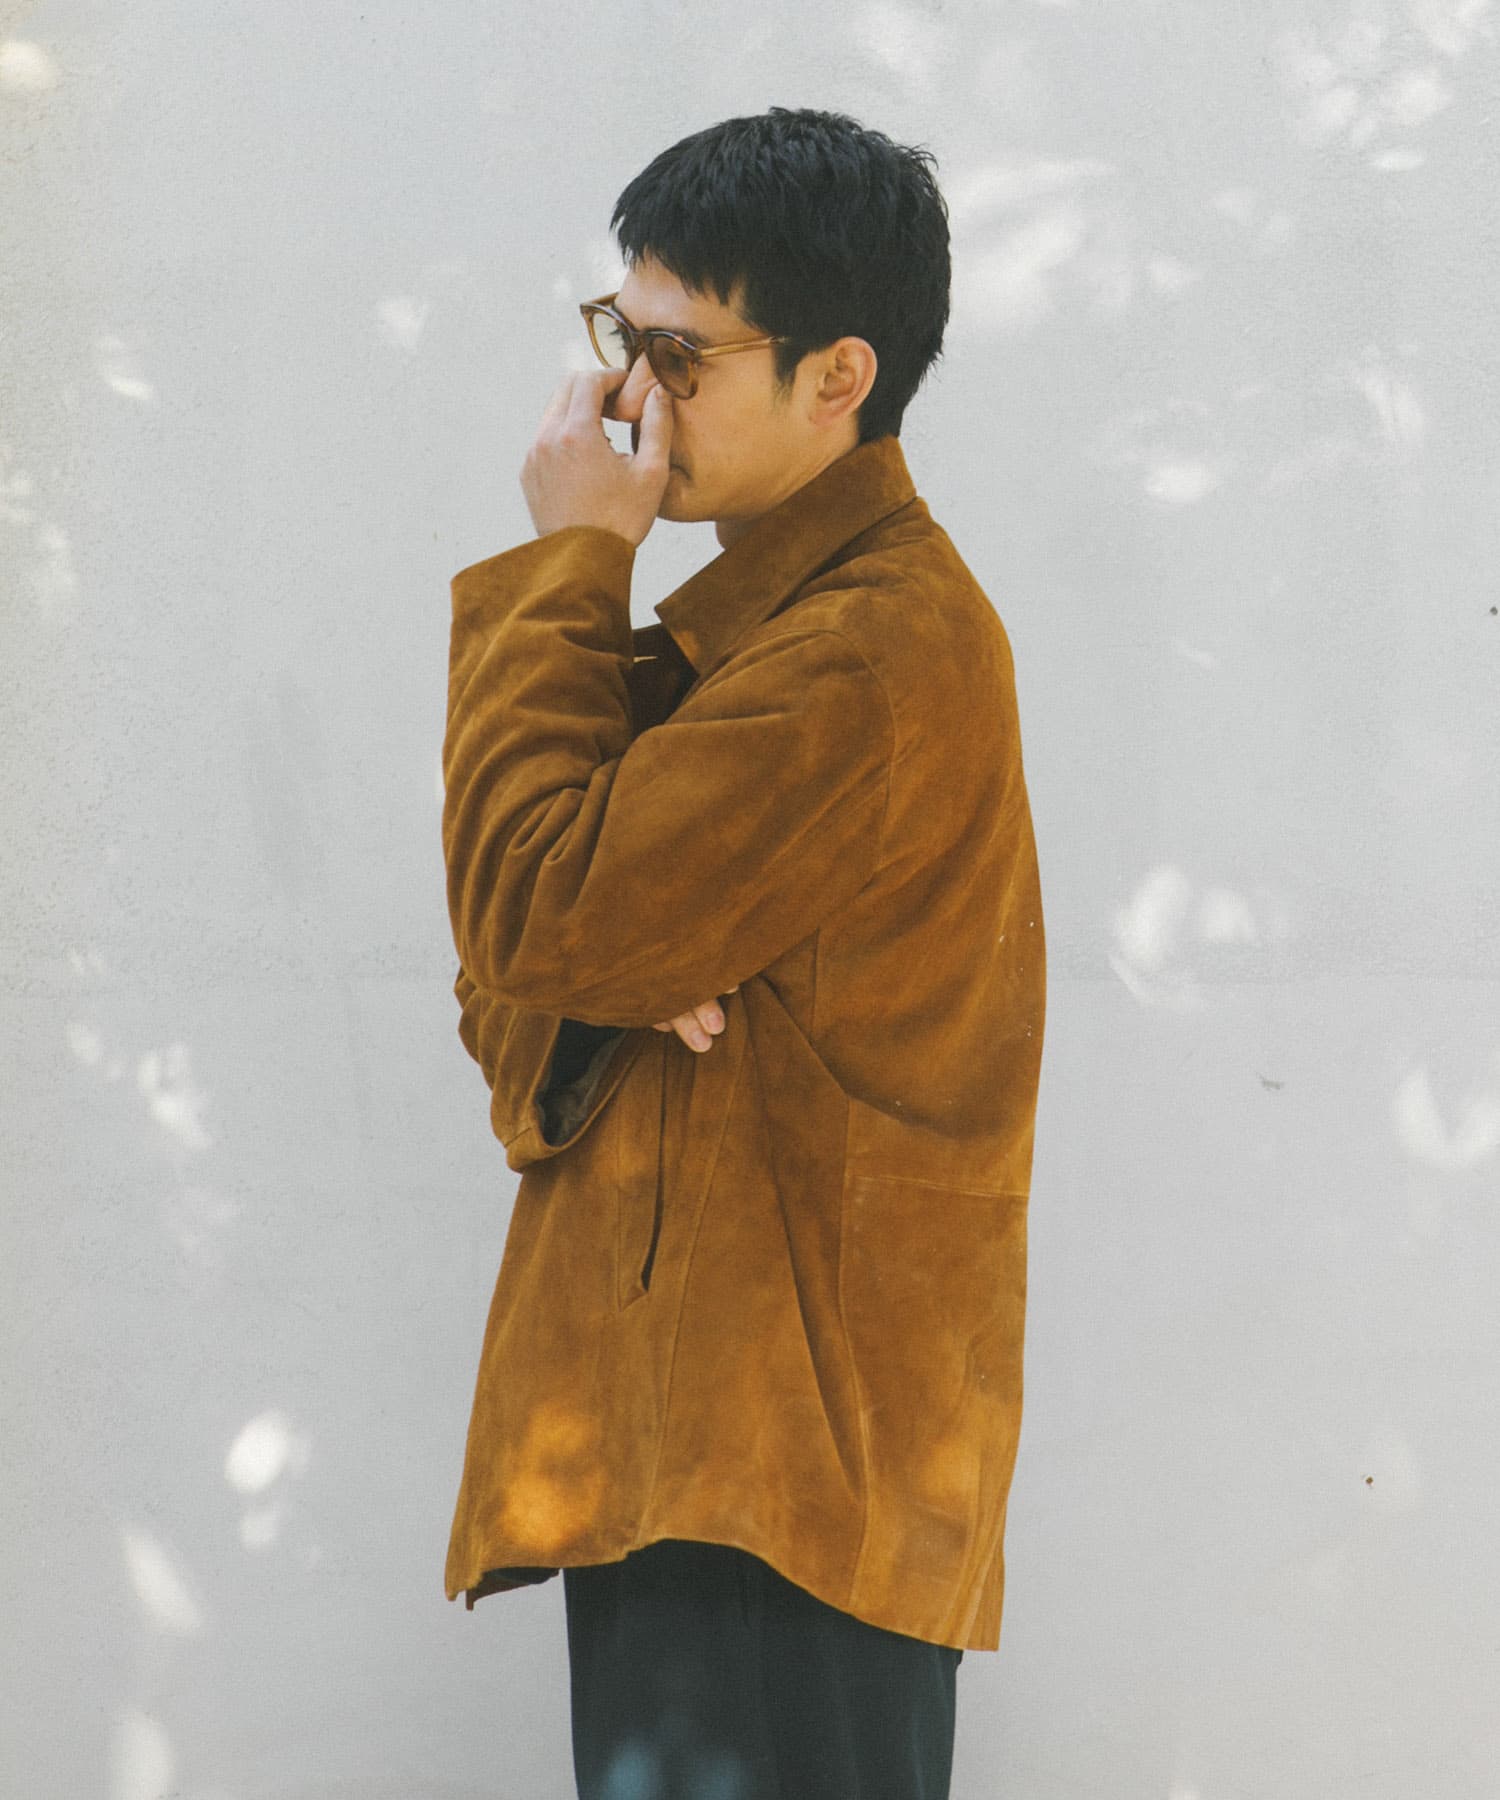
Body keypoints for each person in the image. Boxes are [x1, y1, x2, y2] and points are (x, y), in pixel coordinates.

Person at [439, 105, 1047, 1799]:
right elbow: (517, 971)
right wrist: (600, 970)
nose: (629, 399)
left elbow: (531, 911)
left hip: (782, 1475)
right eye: (619, 336)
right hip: (702, 1450)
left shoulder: (867, 650)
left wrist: (575, 560)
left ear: (839, 375)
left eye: (679, 356)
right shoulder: (752, 639)